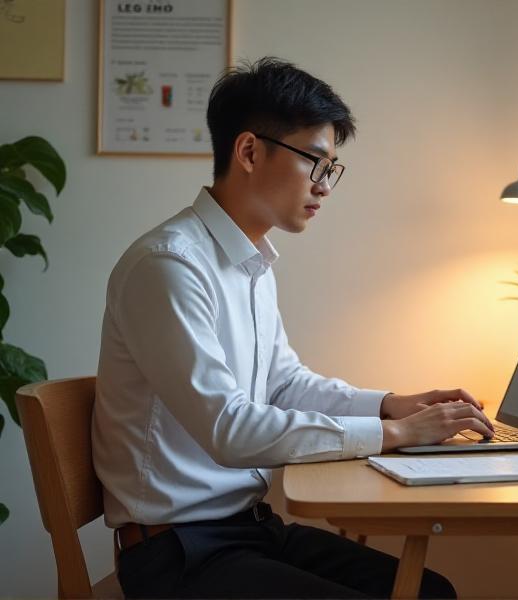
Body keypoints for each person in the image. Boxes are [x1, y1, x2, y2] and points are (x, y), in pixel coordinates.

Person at [91, 57, 495, 599]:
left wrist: (390, 405)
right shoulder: (169, 266)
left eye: (331, 169)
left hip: (247, 529)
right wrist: (394, 436)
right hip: (177, 553)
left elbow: (284, 384)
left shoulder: (251, 262)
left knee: (430, 591)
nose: (325, 186)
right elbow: (229, 430)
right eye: (316, 162)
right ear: (250, 151)